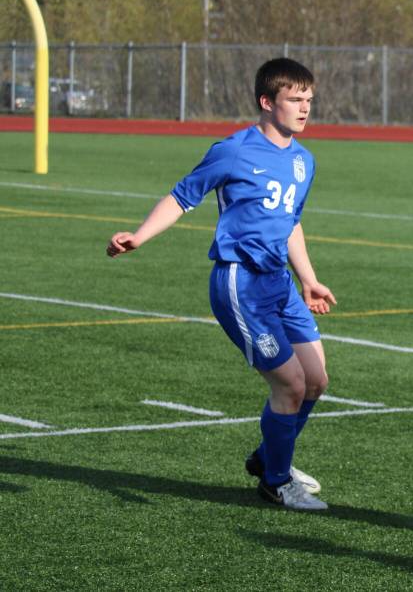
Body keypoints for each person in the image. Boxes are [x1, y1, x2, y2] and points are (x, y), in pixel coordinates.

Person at [106, 58, 336, 511]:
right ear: (267, 102)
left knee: (316, 381)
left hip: (281, 284)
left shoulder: (303, 161)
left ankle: (269, 458)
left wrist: (308, 279)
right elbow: (181, 195)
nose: (305, 108)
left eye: (309, 99)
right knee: (289, 385)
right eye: (295, 99)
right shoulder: (233, 151)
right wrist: (139, 235)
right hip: (241, 284)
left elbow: (290, 223)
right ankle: (275, 482)